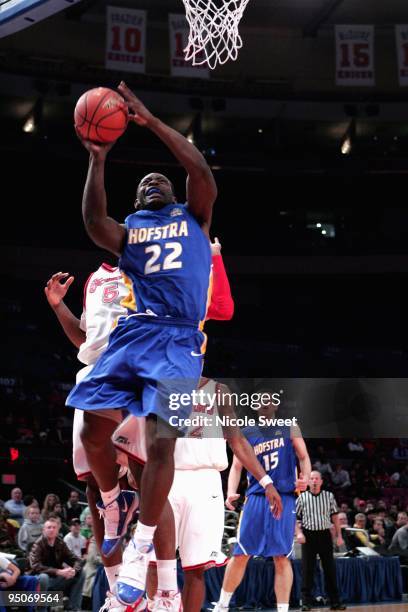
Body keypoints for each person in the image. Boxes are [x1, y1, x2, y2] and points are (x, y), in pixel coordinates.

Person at [65, 80, 218, 607]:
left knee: (160, 446)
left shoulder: (195, 218)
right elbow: (91, 221)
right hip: (134, 335)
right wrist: (99, 158)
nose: (155, 180)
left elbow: (199, 170)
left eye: (161, 180)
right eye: (146, 181)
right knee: (89, 428)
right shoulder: (131, 231)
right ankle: (113, 503)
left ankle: (142, 548)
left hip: (178, 341)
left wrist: (150, 123)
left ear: (174, 195)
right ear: (139, 201)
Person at [46, 233, 232, 610]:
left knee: (146, 478)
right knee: (97, 490)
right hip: (99, 376)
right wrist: (57, 306)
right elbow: (86, 340)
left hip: (141, 372)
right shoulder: (94, 282)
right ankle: (118, 595)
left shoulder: (159, 275)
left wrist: (211, 258)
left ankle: (165, 589)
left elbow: (215, 306)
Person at [115, 378, 283, 611]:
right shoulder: (160, 385)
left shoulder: (219, 391)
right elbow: (138, 430)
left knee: (196, 568)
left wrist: (266, 481)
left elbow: (237, 440)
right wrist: (136, 469)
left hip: (206, 481)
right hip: (166, 477)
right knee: (154, 561)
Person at [213, 396, 311, 612]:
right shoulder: (247, 432)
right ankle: (222, 605)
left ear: (276, 404)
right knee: (240, 553)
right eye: (259, 400)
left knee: (282, 556)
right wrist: (230, 491)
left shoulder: (289, 425)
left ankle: (283, 610)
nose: (264, 403)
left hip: (284, 497)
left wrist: (305, 477)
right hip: (256, 497)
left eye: (269, 400)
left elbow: (303, 456)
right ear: (253, 406)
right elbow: (237, 466)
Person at [296, 471, 346, 611]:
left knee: (330, 569)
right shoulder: (302, 497)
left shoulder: (329, 496)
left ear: (321, 481)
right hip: (309, 536)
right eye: (311, 479)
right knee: (307, 570)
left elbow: (335, 517)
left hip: (324, 535)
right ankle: (306, 602)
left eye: (317, 478)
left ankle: (335, 602)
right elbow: (295, 518)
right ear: (308, 481)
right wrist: (299, 533)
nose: (314, 481)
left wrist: (339, 536)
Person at [29, 517, 85, 612]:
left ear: (58, 530)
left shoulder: (60, 543)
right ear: (44, 530)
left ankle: (74, 608)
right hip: (40, 579)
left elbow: (76, 560)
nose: (51, 529)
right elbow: (35, 566)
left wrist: (73, 570)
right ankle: (42, 609)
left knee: (81, 573)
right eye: (49, 527)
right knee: (44, 577)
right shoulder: (38, 545)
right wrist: (58, 572)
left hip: (57, 580)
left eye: (54, 527)